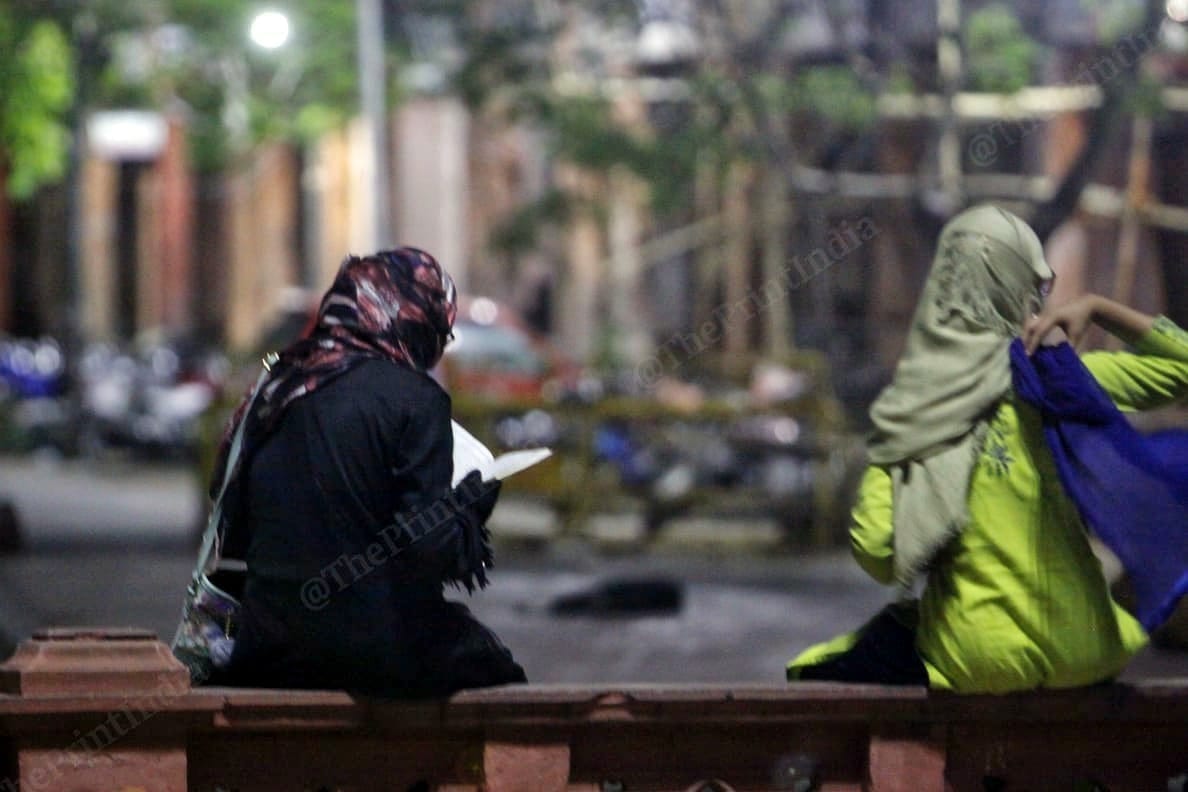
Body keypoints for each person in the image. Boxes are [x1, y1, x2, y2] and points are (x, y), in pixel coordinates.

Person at [786, 204, 1188, 693]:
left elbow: (878, 553)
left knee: (831, 660)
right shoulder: (1070, 381)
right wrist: (1099, 307)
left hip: (983, 659)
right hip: (1087, 650)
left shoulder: (919, 407)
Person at [208, 248, 526, 697]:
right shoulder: (415, 401)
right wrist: (469, 509)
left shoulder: (276, 388)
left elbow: (230, 514)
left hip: (265, 648)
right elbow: (426, 547)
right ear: (414, 320)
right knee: (504, 685)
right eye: (439, 328)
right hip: (373, 653)